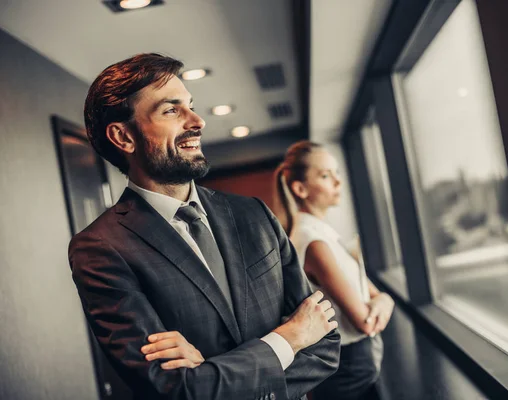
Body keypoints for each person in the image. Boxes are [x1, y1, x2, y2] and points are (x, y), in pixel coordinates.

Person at [69, 53, 341, 400]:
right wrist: (290, 338)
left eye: (191, 106)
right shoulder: (99, 249)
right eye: (172, 110)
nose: (197, 121)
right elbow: (174, 389)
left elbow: (326, 343)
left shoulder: (253, 214)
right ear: (124, 137)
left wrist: (214, 374)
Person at [272, 141, 395, 400]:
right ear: (300, 189)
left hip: (360, 365)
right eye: (326, 175)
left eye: (336, 172)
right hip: (348, 371)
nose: (337, 182)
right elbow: (366, 321)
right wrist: (383, 302)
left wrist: (384, 299)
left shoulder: (324, 233)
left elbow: (376, 295)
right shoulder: (312, 241)